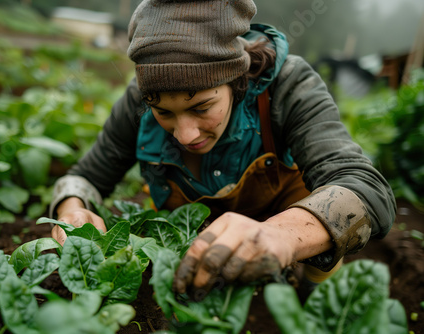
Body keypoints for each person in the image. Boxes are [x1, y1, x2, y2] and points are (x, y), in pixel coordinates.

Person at [48, 0, 396, 297]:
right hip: (194, 262)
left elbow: (368, 190)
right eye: (164, 112)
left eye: (201, 107)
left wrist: (280, 235)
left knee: (315, 296)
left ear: (237, 79)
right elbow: (85, 177)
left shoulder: (290, 88)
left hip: (295, 247)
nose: (184, 135)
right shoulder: (136, 104)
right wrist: (72, 209)